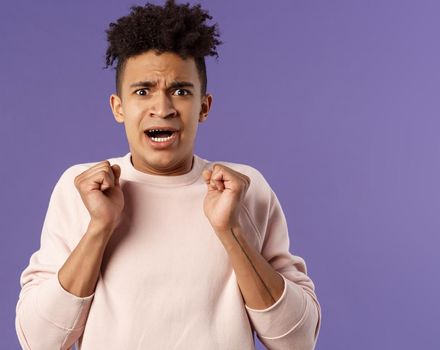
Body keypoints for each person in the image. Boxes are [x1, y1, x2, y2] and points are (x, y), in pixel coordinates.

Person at [14, 1, 321, 349]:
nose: (162, 108)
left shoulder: (244, 190)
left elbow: (297, 340)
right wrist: (98, 228)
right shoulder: (81, 190)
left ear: (204, 107)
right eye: (143, 91)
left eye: (181, 91)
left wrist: (231, 232)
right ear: (119, 107)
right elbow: (39, 341)